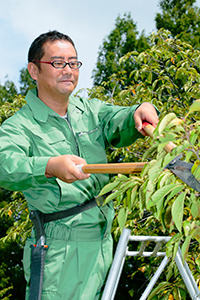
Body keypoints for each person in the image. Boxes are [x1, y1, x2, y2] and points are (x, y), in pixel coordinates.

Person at [0, 30, 159, 300]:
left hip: (104, 244)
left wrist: (138, 110)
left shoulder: (89, 111)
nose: (68, 71)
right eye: (58, 63)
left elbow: (116, 119)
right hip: (60, 253)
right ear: (34, 70)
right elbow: (5, 166)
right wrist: (49, 166)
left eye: (73, 63)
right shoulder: (20, 125)